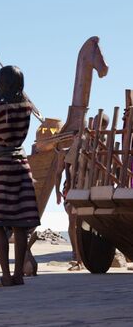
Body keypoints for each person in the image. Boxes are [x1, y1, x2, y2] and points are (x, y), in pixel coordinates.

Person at [0, 65, 40, 288]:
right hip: (21, 164)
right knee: (20, 223)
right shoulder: (27, 108)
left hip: (1, 166)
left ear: (2, 84)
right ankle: (19, 275)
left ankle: (5, 276)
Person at [59, 114, 108, 271]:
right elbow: (68, 163)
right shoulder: (82, 141)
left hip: (95, 187)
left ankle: (85, 256)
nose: (94, 126)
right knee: (74, 220)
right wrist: (68, 184)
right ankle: (77, 256)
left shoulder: (106, 143)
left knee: (90, 222)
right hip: (79, 186)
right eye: (93, 123)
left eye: (98, 124)